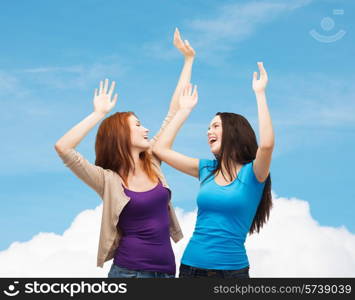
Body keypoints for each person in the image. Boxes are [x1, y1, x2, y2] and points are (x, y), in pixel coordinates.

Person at [54, 28, 195, 278]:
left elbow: (174, 111)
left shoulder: (153, 161)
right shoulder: (107, 180)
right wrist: (98, 114)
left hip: (166, 273)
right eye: (138, 125)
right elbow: (64, 148)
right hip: (129, 274)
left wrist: (188, 61)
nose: (146, 129)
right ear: (121, 135)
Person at [153, 62, 274, 278]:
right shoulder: (206, 169)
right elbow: (160, 149)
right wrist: (184, 111)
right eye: (208, 127)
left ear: (234, 132)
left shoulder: (254, 173)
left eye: (215, 126)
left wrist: (260, 93)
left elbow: (266, 145)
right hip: (191, 268)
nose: (209, 131)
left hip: (232, 273)